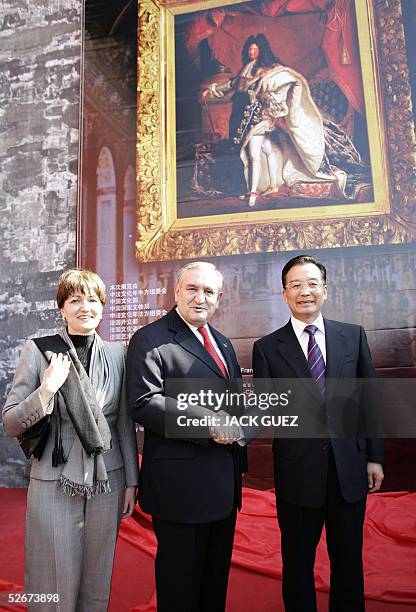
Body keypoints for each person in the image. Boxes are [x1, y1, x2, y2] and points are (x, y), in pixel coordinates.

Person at [252, 255, 384, 612]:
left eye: (312, 284)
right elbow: (266, 407)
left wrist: (374, 456)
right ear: (284, 294)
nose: (304, 292)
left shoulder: (352, 336)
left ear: (325, 290)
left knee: (348, 564)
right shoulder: (267, 347)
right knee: (297, 565)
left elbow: (368, 398)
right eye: (295, 285)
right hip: (298, 471)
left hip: (349, 468)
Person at [2, 269, 139, 611]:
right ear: (62, 309)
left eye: (92, 300)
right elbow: (11, 422)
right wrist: (46, 390)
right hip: (54, 479)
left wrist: (132, 483)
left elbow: (123, 424)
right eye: (75, 300)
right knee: (52, 575)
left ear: (103, 307)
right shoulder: (39, 351)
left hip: (108, 480)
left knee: (97, 575)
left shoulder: (118, 355)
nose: (85, 307)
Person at [126, 261, 247, 612]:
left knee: (213, 584)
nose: (200, 297)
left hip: (223, 488)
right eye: (192, 289)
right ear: (176, 292)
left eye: (208, 291)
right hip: (181, 489)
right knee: (180, 587)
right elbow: (143, 403)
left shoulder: (222, 343)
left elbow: (235, 405)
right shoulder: (150, 338)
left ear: (219, 298)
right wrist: (208, 422)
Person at [204, 34, 356, 207]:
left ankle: (252, 192)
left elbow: (284, 85)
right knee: (267, 149)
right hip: (245, 116)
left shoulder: (271, 68)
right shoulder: (246, 68)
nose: (252, 51)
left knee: (253, 153)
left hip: (261, 118)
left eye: (255, 48)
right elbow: (232, 85)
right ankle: (272, 186)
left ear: (261, 50)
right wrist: (213, 89)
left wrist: (271, 108)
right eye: (250, 49)